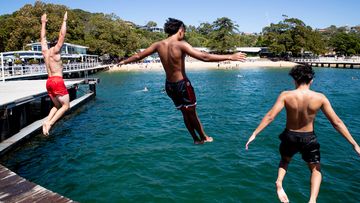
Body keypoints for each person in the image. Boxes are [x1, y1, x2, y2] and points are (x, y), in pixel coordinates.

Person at [119, 18, 246, 144]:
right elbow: (204, 56)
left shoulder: (158, 45)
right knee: (192, 113)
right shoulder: (181, 44)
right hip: (182, 85)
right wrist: (230, 56)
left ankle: (195, 139)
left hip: (169, 86)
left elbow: (138, 56)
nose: (184, 34)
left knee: (185, 113)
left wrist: (124, 61)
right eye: (184, 31)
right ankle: (204, 137)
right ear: (180, 30)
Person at [245, 64, 360, 203]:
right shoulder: (320, 98)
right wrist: (354, 143)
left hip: (289, 136)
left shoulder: (286, 95)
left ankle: (279, 182)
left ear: (295, 80)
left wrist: (255, 133)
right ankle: (312, 200)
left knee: (285, 160)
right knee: (315, 169)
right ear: (311, 80)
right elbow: (336, 122)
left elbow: (270, 116)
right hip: (308, 138)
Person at [41, 12, 70, 135]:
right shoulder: (55, 51)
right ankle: (50, 123)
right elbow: (62, 35)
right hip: (57, 81)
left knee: (57, 106)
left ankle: (47, 121)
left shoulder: (45, 52)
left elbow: (42, 38)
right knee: (66, 106)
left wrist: (43, 23)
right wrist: (64, 20)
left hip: (49, 82)